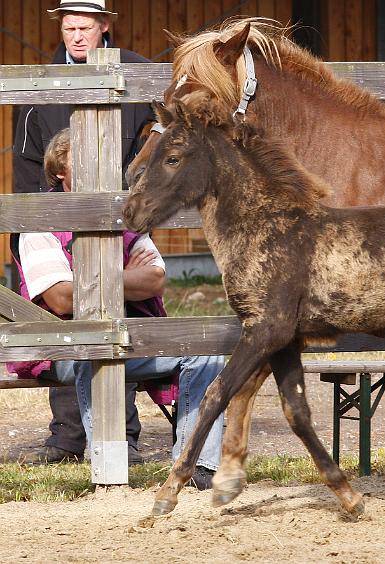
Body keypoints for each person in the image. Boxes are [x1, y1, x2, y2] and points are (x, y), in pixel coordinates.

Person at [10, 128, 225, 489]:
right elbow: (61, 298)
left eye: (102, 160)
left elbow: (155, 280)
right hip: (61, 347)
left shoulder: (125, 214)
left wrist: (90, 277)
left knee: (204, 354)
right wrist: (125, 275)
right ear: (59, 170)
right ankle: (110, 467)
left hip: (131, 335)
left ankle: (196, 466)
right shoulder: (42, 222)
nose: (98, 168)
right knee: (92, 347)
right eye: (84, 160)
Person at [12, 0, 154, 466]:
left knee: (123, 317)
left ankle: (122, 434)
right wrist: (37, 222)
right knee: (63, 321)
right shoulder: (41, 86)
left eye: (85, 27)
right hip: (58, 218)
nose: (77, 36)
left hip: (121, 215)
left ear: (104, 25)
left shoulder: (135, 71)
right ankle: (70, 436)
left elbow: (163, 129)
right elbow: (27, 165)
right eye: (70, 27)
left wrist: (137, 201)